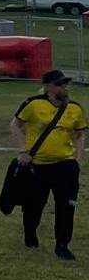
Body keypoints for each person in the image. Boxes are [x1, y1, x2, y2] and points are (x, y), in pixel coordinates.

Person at [12, 69, 87, 258]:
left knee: (66, 205)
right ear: (48, 87)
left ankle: (62, 245)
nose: (64, 87)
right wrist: (23, 150)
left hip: (65, 165)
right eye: (60, 84)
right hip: (38, 165)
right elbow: (15, 125)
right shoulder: (33, 104)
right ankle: (30, 233)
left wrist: (77, 160)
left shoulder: (75, 108)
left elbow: (80, 134)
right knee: (34, 205)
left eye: (65, 84)